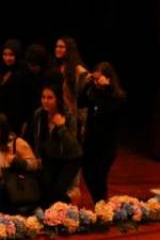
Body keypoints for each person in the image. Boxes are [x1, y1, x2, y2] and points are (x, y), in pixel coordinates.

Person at [24, 85, 82, 206]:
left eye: (50, 98)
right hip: (50, 158)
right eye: (43, 97)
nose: (45, 101)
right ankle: (53, 213)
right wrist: (38, 156)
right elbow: (37, 138)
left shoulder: (68, 116)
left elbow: (74, 147)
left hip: (69, 159)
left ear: (58, 99)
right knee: (45, 190)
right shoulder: (39, 114)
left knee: (58, 191)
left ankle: (69, 207)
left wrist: (61, 127)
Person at [79, 62, 126, 202]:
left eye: (98, 78)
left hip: (107, 144)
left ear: (108, 78)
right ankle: (98, 202)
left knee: (100, 176)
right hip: (90, 141)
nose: (96, 82)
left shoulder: (117, 96)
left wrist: (105, 89)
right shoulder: (94, 92)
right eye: (95, 78)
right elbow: (80, 102)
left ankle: (101, 204)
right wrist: (88, 84)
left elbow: (108, 112)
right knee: (87, 173)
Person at [0, 113, 38, 214]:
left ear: (3, 127)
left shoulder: (17, 142)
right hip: (0, 190)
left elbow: (34, 164)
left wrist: (15, 162)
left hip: (18, 188)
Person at [0, 39, 30, 135]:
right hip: (2, 117)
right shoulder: (1, 69)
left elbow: (26, 98)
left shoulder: (23, 72)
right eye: (5, 54)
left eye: (11, 55)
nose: (7, 58)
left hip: (17, 119)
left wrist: (25, 121)